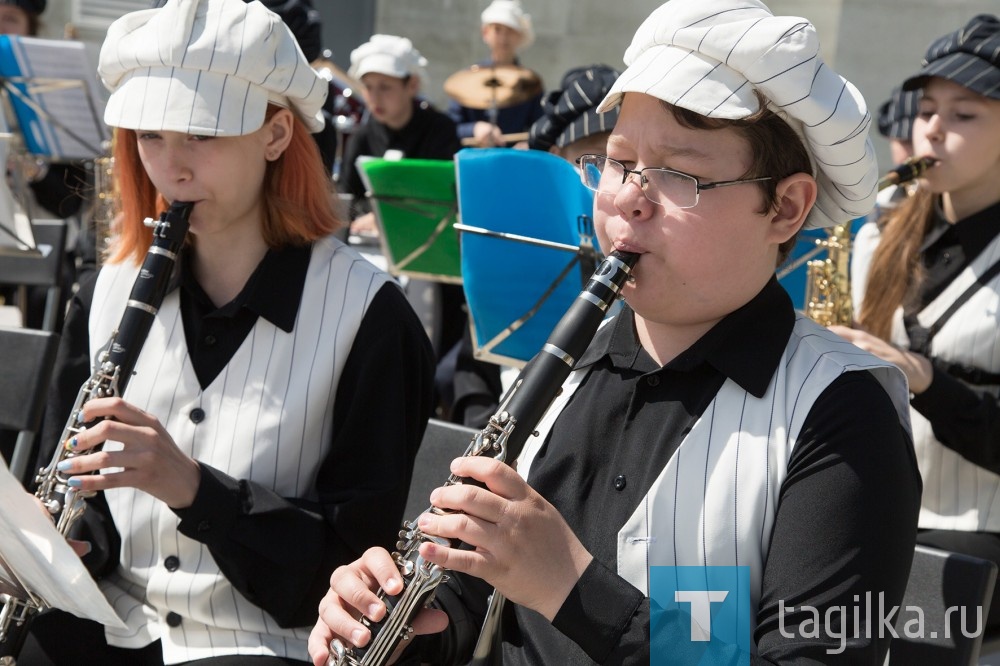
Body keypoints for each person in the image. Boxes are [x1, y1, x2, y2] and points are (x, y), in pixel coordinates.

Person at [309, 0, 922, 663]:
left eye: (679, 174)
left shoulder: (844, 411)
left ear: (785, 207)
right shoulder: (564, 371)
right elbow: (492, 607)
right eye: (619, 161)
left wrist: (573, 589)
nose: (629, 195)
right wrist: (423, 623)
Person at [22, 0, 435, 664]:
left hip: (274, 645)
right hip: (118, 625)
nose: (171, 169)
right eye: (150, 136)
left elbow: (353, 573)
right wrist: (51, 543)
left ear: (276, 136)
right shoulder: (104, 291)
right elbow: (88, 513)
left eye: (202, 135)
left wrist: (193, 488)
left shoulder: (371, 319)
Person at [833, 13, 1000, 632]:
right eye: (928, 109)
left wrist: (926, 380)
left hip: (974, 537)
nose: (932, 129)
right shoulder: (878, 235)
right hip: (865, 512)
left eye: (965, 114)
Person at [445, 63, 623, 429]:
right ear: (556, 156)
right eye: (594, 160)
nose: (609, 181)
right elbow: (477, 358)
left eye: (623, 163)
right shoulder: (519, 236)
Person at [338, 34, 460, 233]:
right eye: (368, 87)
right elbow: (347, 201)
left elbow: (449, 196)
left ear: (412, 85)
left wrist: (388, 218)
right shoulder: (361, 138)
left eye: (385, 87)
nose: (375, 98)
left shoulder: (440, 131)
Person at [446, 0, 543, 148]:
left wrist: (528, 144)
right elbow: (449, 127)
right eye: (497, 29)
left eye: (510, 30)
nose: (504, 38)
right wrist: (474, 128)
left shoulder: (530, 83)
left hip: (513, 162)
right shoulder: (466, 79)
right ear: (485, 32)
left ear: (519, 35)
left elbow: (542, 128)